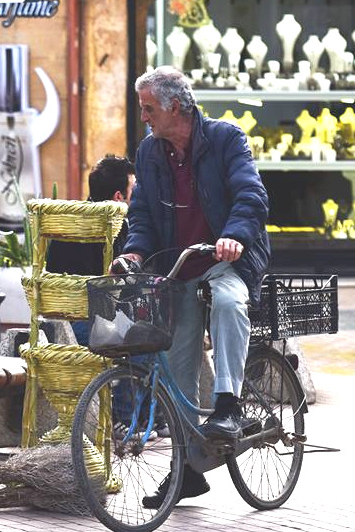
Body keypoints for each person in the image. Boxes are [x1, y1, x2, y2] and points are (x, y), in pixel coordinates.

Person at [115, 67, 270, 508]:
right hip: (179, 267)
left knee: (228, 302)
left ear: (174, 107)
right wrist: (135, 253)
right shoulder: (149, 152)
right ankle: (185, 470)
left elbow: (251, 195)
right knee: (174, 360)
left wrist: (235, 235)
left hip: (227, 259)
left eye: (148, 108)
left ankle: (227, 406)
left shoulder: (225, 138)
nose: (143, 115)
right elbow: (141, 213)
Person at [45, 154, 135, 345]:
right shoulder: (116, 228)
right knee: (146, 346)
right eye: (133, 190)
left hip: (59, 320)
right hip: (92, 324)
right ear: (118, 197)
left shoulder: (68, 221)